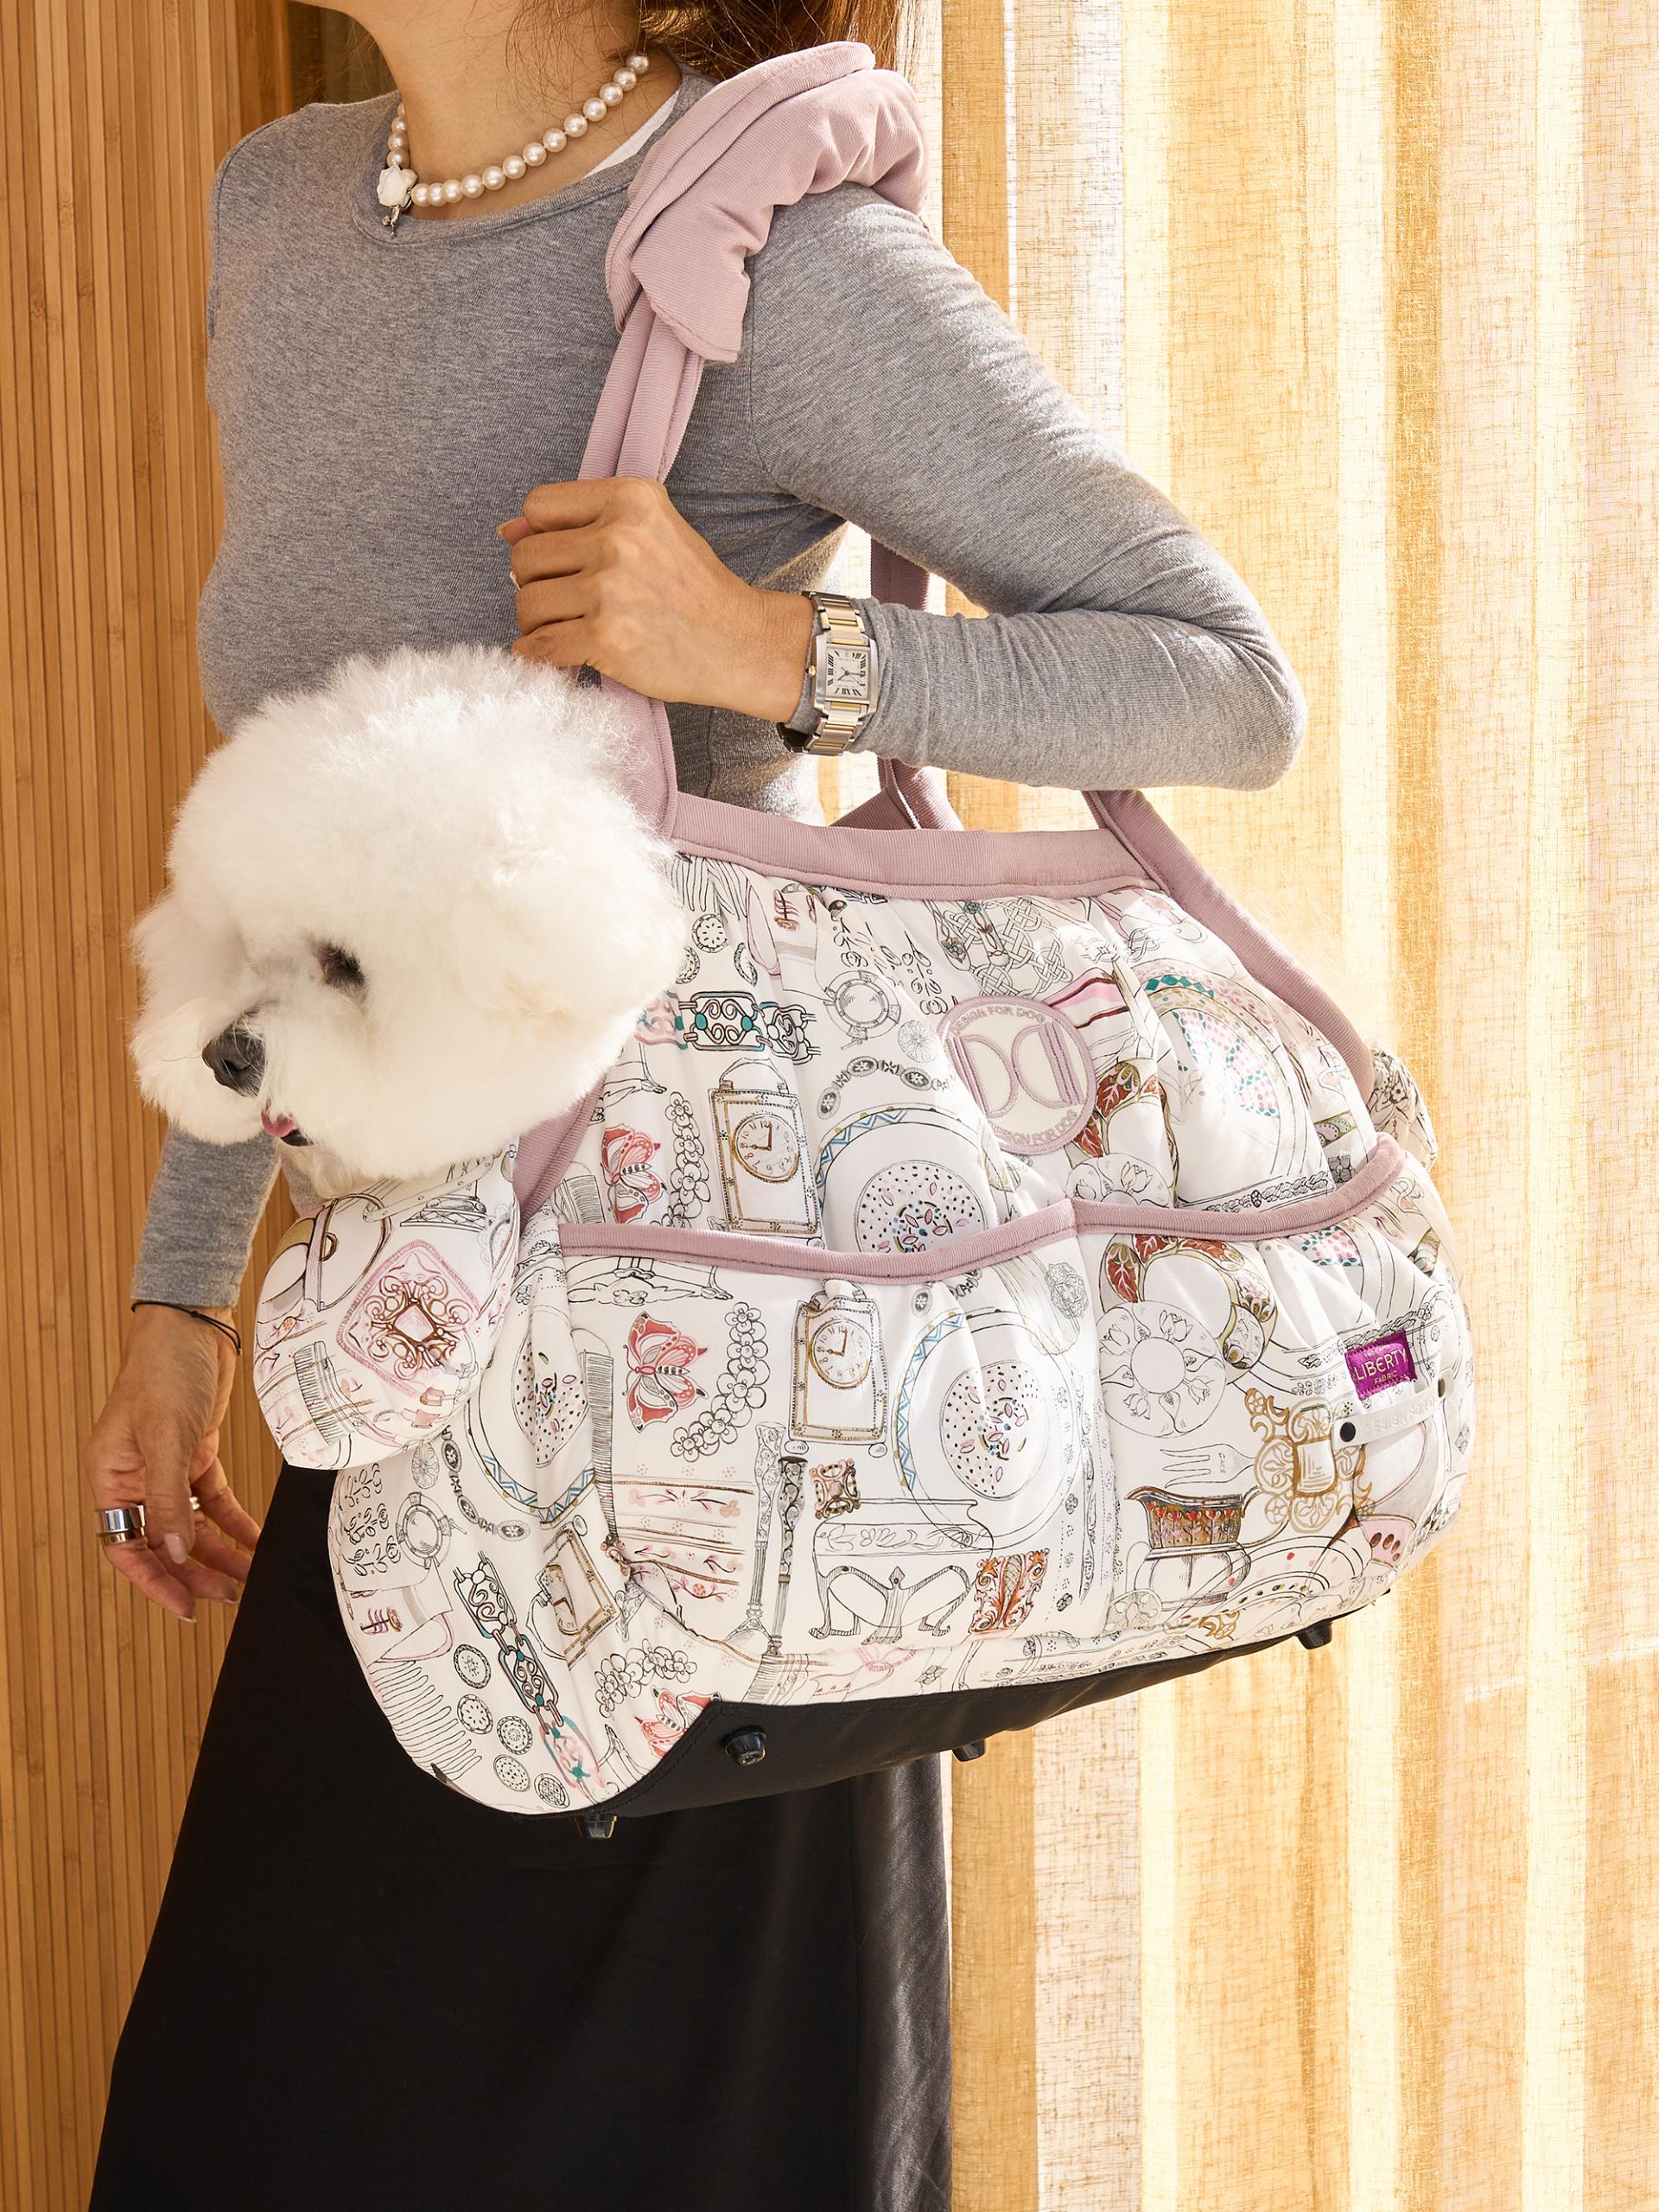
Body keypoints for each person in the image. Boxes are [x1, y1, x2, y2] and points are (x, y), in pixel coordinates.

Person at [82, 3, 1307, 2204]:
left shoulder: (774, 255)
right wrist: (186, 1289)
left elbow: (1227, 685)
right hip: (411, 1382)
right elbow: (302, 870)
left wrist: (776, 655)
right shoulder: (277, 214)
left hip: (724, 1391)